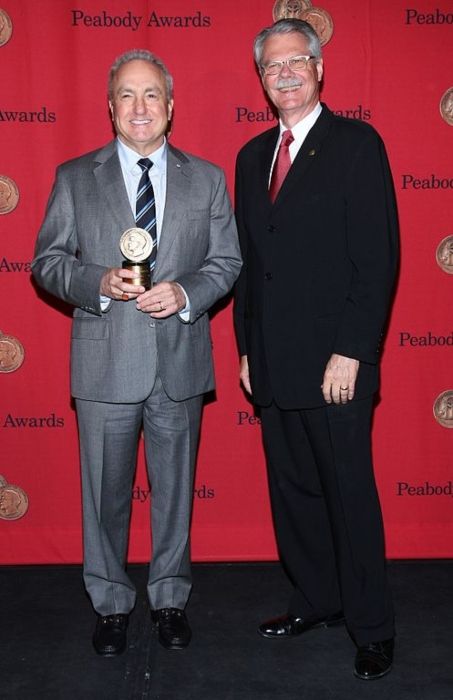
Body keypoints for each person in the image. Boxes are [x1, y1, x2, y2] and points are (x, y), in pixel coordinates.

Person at [32, 49, 241, 657]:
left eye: (152, 94)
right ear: (110, 108)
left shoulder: (208, 178)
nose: (140, 106)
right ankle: (111, 603)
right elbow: (47, 261)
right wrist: (97, 282)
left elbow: (226, 261)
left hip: (179, 360)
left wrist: (185, 292)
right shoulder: (76, 177)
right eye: (127, 94)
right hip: (104, 364)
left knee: (176, 491)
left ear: (171, 107)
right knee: (105, 495)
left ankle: (170, 598)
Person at [234, 19, 398, 681]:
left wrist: (352, 351)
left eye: (296, 60)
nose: (285, 73)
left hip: (337, 366)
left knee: (347, 493)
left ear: (319, 67)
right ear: (262, 79)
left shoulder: (356, 144)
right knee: (295, 492)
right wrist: (247, 349)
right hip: (273, 361)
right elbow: (250, 265)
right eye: (272, 66)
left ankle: (372, 626)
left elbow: (378, 259)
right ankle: (315, 599)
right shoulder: (250, 157)